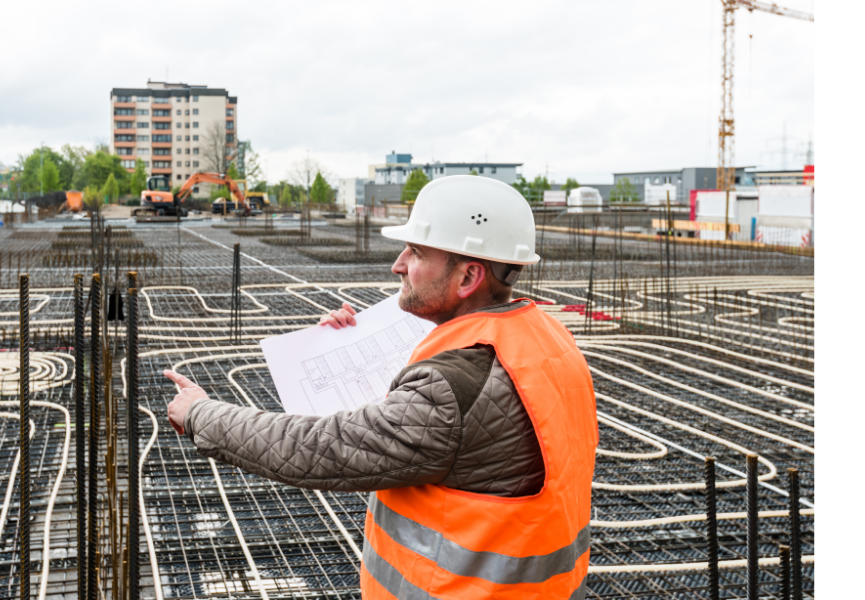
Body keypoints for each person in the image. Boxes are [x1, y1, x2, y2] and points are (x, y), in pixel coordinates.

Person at [164, 175, 598, 599]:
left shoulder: (451, 390)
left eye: (416, 252)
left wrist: (202, 413)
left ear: (468, 278)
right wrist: (344, 343)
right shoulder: (546, 338)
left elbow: (319, 448)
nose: (398, 265)